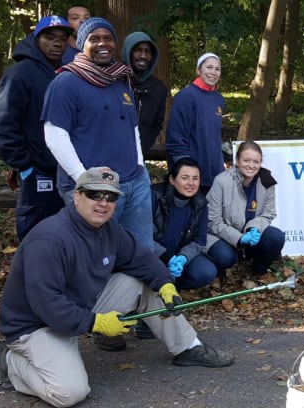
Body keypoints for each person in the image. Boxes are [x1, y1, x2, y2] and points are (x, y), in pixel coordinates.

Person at [0, 167, 234, 408]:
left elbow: (142, 260)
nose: (103, 203)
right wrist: (95, 323)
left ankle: (187, 347)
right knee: (69, 393)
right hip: (36, 325)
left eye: (110, 197)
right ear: (77, 196)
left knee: (146, 282)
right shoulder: (49, 239)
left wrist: (165, 284)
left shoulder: (108, 229)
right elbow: (46, 303)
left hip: (79, 306)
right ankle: (10, 362)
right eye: (94, 195)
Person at [41, 17, 154, 249]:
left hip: (134, 182)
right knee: (96, 255)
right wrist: (84, 179)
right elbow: (55, 136)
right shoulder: (65, 82)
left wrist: (141, 167)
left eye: (108, 38)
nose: (103, 44)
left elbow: (132, 128)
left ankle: (141, 287)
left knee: (141, 251)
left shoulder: (122, 82)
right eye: (95, 39)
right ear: (83, 44)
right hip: (92, 188)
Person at [0, 16, 73, 239]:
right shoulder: (20, 73)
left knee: (67, 235)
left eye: (63, 39)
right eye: (50, 37)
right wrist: (24, 165)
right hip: (38, 171)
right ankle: (30, 274)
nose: (57, 43)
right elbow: (2, 120)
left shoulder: (68, 74)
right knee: (36, 235)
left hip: (68, 171)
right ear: (36, 40)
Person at [206, 140, 286, 277]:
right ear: (237, 161)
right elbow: (212, 221)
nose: (251, 165)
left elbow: (268, 213)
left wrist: (254, 228)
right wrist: (239, 238)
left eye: (256, 162)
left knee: (276, 237)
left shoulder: (267, 182)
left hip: (249, 234)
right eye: (246, 160)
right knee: (225, 256)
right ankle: (222, 274)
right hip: (223, 237)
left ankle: (259, 271)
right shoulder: (221, 181)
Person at [152, 157, 223, 291]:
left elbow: (200, 240)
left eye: (195, 178)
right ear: (172, 180)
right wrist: (166, 256)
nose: (191, 183)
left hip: (178, 257)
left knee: (206, 271)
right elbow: (140, 236)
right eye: (185, 178)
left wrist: (183, 257)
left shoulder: (200, 203)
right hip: (154, 255)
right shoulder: (154, 196)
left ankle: (175, 287)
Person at [166, 52, 226, 191]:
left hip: (214, 173)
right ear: (198, 70)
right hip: (192, 176)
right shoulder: (186, 96)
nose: (213, 72)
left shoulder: (219, 99)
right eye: (209, 67)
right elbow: (175, 136)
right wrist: (185, 171)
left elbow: (213, 134)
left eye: (217, 69)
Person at [123, 31, 168, 158]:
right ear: (128, 51)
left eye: (147, 51)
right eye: (137, 50)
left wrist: (143, 147)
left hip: (138, 157)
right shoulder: (114, 82)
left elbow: (157, 124)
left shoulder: (159, 89)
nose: (143, 56)